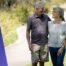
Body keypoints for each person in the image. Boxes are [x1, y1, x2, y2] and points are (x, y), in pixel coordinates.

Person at [26, 1, 51, 66]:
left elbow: (51, 27)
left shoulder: (46, 17)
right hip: (35, 44)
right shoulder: (30, 18)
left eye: (43, 8)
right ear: (36, 9)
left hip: (44, 44)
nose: (42, 10)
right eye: (40, 9)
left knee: (42, 62)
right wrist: (29, 44)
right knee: (34, 62)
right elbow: (27, 32)